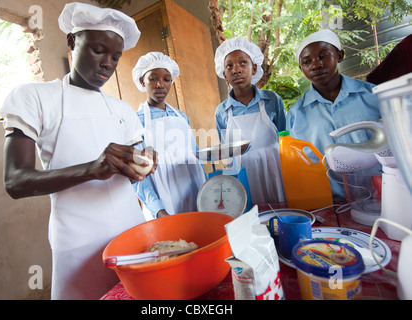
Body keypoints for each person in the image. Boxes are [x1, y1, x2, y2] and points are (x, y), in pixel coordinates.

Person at [0, 2, 156, 300]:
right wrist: (91, 169)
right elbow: (15, 182)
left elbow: (133, 173)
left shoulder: (121, 110)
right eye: (98, 50)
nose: (108, 63)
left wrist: (143, 163)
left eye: (116, 56)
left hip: (131, 235)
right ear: (72, 41)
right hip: (78, 243)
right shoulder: (34, 97)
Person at [287, 29, 381, 199]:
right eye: (307, 62)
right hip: (328, 205)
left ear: (340, 55)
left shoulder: (373, 97)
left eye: (323, 56)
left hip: (379, 199)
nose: (316, 65)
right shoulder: (296, 115)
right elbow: (297, 167)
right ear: (301, 68)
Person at [132, 52, 206, 220]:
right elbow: (138, 175)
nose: (160, 85)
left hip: (194, 191)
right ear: (142, 81)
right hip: (163, 201)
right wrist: (158, 210)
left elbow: (197, 158)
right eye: (153, 78)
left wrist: (206, 192)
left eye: (166, 79)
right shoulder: (137, 120)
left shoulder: (181, 116)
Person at [214, 37, 286, 205]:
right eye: (229, 66)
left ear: (254, 68)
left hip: (275, 173)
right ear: (224, 74)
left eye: (243, 63)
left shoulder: (272, 101)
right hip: (243, 176)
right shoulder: (222, 112)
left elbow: (285, 141)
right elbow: (227, 152)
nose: (236, 70)